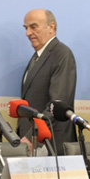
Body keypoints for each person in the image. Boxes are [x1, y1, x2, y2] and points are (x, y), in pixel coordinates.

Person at [19, 9, 77, 155]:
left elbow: (57, 104)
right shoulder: (37, 57)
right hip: (34, 141)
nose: (28, 33)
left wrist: (32, 136)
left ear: (51, 27)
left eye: (33, 27)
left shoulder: (62, 54)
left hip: (51, 143)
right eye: (26, 28)